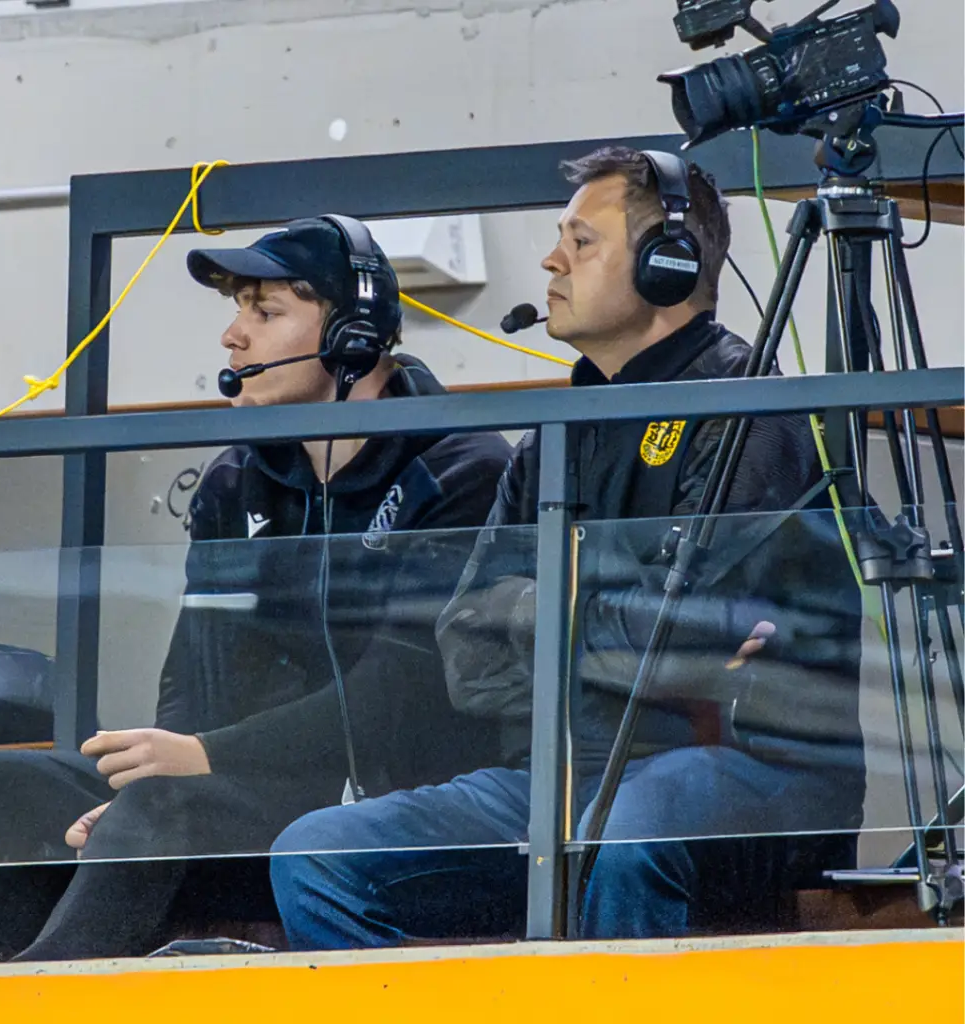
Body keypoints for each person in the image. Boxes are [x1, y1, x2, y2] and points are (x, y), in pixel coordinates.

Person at [268, 148, 867, 948]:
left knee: (623, 826)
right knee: (317, 853)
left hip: (755, 773)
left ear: (668, 265)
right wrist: (600, 623)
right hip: (559, 773)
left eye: (581, 242)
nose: (551, 260)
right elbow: (464, 659)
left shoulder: (749, 409)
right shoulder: (549, 441)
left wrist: (537, 613)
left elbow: (678, 636)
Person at [0, 216, 511, 962]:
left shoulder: (463, 466)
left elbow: (402, 694)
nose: (232, 338)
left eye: (265, 312)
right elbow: (194, 671)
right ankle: (34, 990)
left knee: (160, 802)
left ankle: (28, 1005)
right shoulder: (235, 477)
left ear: (352, 340)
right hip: (240, 789)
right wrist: (154, 774)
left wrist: (200, 758)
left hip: (397, 802)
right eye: (237, 311)